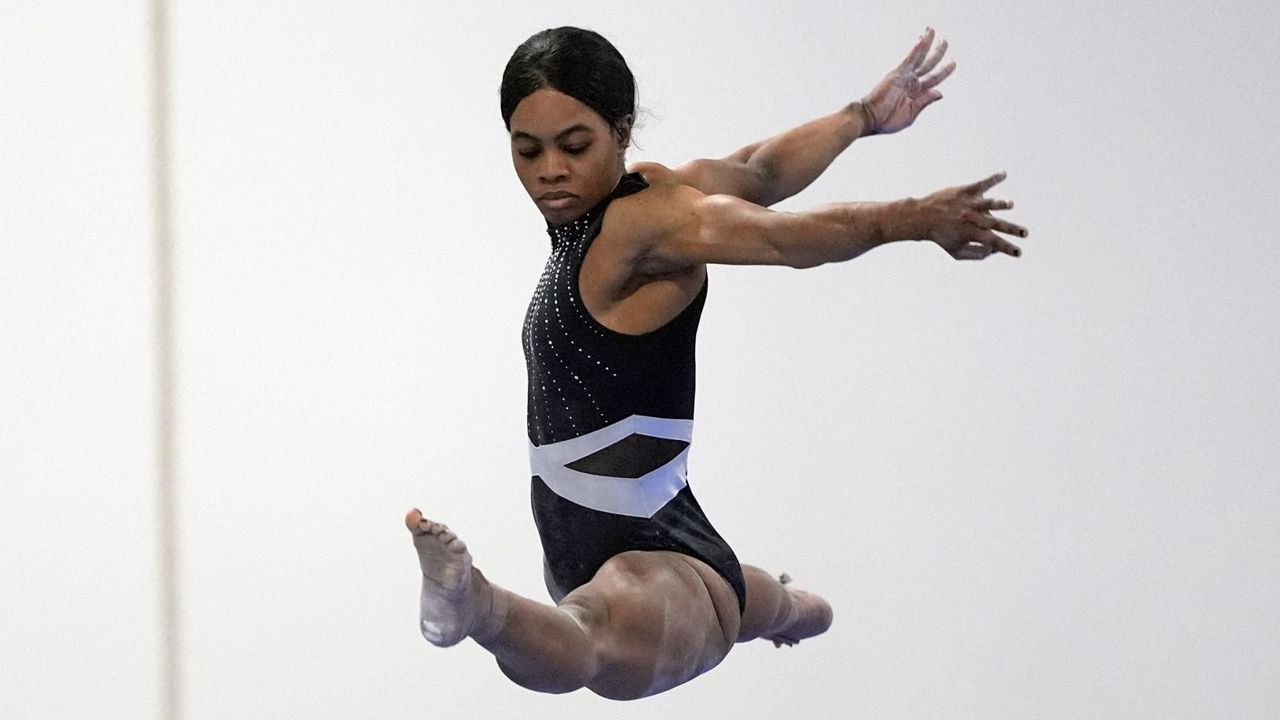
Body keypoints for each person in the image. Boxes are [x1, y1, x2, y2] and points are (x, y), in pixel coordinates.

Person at [406, 26, 1027, 700]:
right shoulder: (620, 209)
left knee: (589, 645)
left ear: (621, 130)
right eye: (528, 151)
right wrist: (862, 117)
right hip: (613, 538)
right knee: (765, 605)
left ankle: (476, 604)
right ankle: (787, 610)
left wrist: (911, 217)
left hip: (654, 559)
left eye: (574, 146)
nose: (550, 170)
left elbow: (784, 239)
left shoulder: (649, 224)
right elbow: (761, 169)